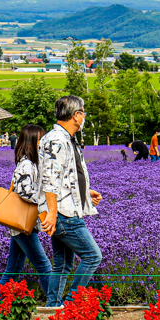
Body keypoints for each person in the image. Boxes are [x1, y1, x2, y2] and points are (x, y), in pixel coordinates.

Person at [40, 95, 103, 307]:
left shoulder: (66, 138)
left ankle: (53, 306)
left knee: (62, 264)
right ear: (76, 116)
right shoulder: (57, 139)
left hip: (65, 208)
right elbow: (49, 178)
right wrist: (52, 212)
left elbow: (66, 176)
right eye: (83, 113)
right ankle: (72, 304)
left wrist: (86, 194)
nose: (84, 117)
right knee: (93, 256)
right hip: (64, 214)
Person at [0, 124, 53, 301]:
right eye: (40, 139)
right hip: (22, 224)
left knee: (13, 269)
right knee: (44, 266)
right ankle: (55, 303)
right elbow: (24, 191)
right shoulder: (27, 165)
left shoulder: (31, 163)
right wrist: (46, 203)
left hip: (20, 224)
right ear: (31, 142)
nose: (43, 143)